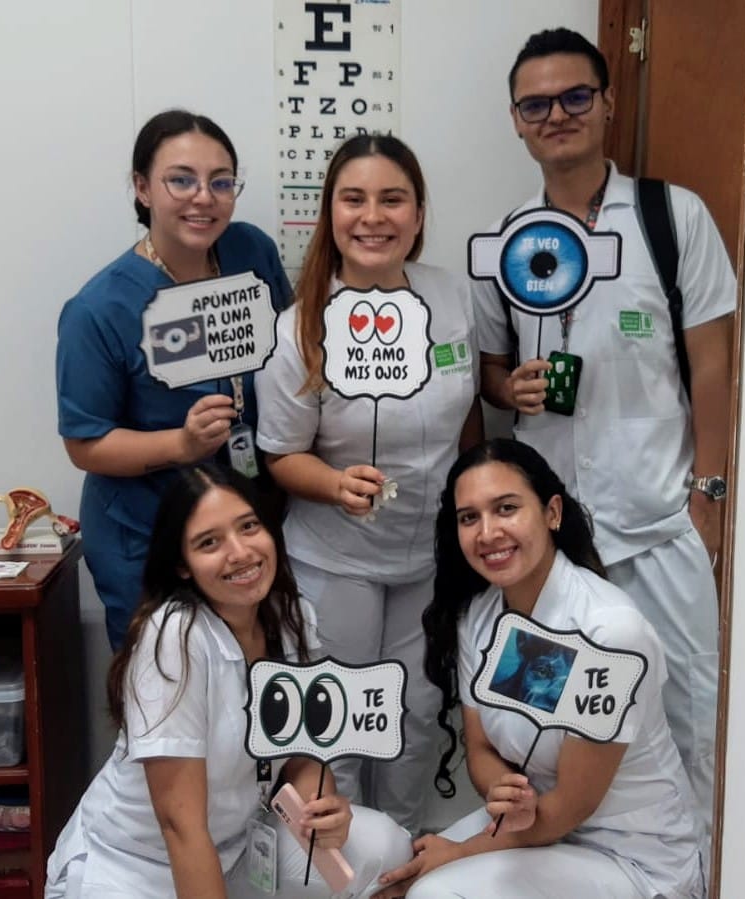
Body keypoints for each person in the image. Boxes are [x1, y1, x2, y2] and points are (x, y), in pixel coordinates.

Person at [473, 28, 735, 837]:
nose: (556, 114)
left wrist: (709, 494)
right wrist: (505, 384)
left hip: (658, 522)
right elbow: (484, 373)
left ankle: (688, 874)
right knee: (547, 724)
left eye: (575, 96)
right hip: (551, 541)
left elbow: (712, 366)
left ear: (607, 104)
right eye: (536, 104)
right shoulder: (506, 238)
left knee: (688, 718)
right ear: (515, 121)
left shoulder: (670, 216)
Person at [45, 463, 412, 899]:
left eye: (249, 526)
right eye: (209, 542)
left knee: (386, 849)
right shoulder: (173, 638)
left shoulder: (292, 615)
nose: (239, 553)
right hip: (135, 868)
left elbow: (305, 750)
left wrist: (321, 807)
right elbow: (180, 827)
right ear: (182, 565)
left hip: (238, 847)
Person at [255, 134, 482, 833]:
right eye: (353, 199)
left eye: (393, 198)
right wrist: (331, 483)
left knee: (416, 716)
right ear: (329, 212)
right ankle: (346, 870)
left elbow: (468, 408)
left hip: (428, 560)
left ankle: (404, 860)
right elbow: (279, 454)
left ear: (417, 214)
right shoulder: (298, 328)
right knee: (343, 719)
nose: (372, 216)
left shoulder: (448, 294)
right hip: (336, 561)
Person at [374, 439, 703, 899]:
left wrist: (461, 851)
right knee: (395, 875)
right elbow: (482, 747)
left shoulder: (610, 633)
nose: (487, 532)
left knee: (435, 892)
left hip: (631, 856)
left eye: (506, 508)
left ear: (552, 512)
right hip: (539, 827)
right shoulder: (481, 616)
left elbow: (572, 806)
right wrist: (505, 792)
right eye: (469, 517)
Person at [56, 109, 291, 650]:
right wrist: (180, 444)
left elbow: (287, 349)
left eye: (221, 181)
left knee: (253, 682)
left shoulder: (250, 251)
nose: (203, 197)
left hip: (243, 518)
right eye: (180, 180)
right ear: (142, 188)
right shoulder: (99, 309)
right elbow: (85, 444)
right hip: (147, 532)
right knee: (165, 689)